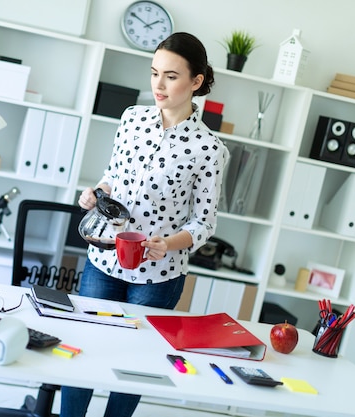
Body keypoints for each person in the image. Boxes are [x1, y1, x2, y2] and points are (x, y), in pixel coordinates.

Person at [60, 32, 229, 417]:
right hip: (104, 260)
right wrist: (96, 193)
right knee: (83, 351)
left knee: (134, 365)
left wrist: (168, 243)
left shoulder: (209, 150)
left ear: (196, 82)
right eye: (155, 73)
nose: (158, 84)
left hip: (159, 275)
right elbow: (113, 175)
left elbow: (204, 223)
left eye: (171, 76)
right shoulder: (132, 118)